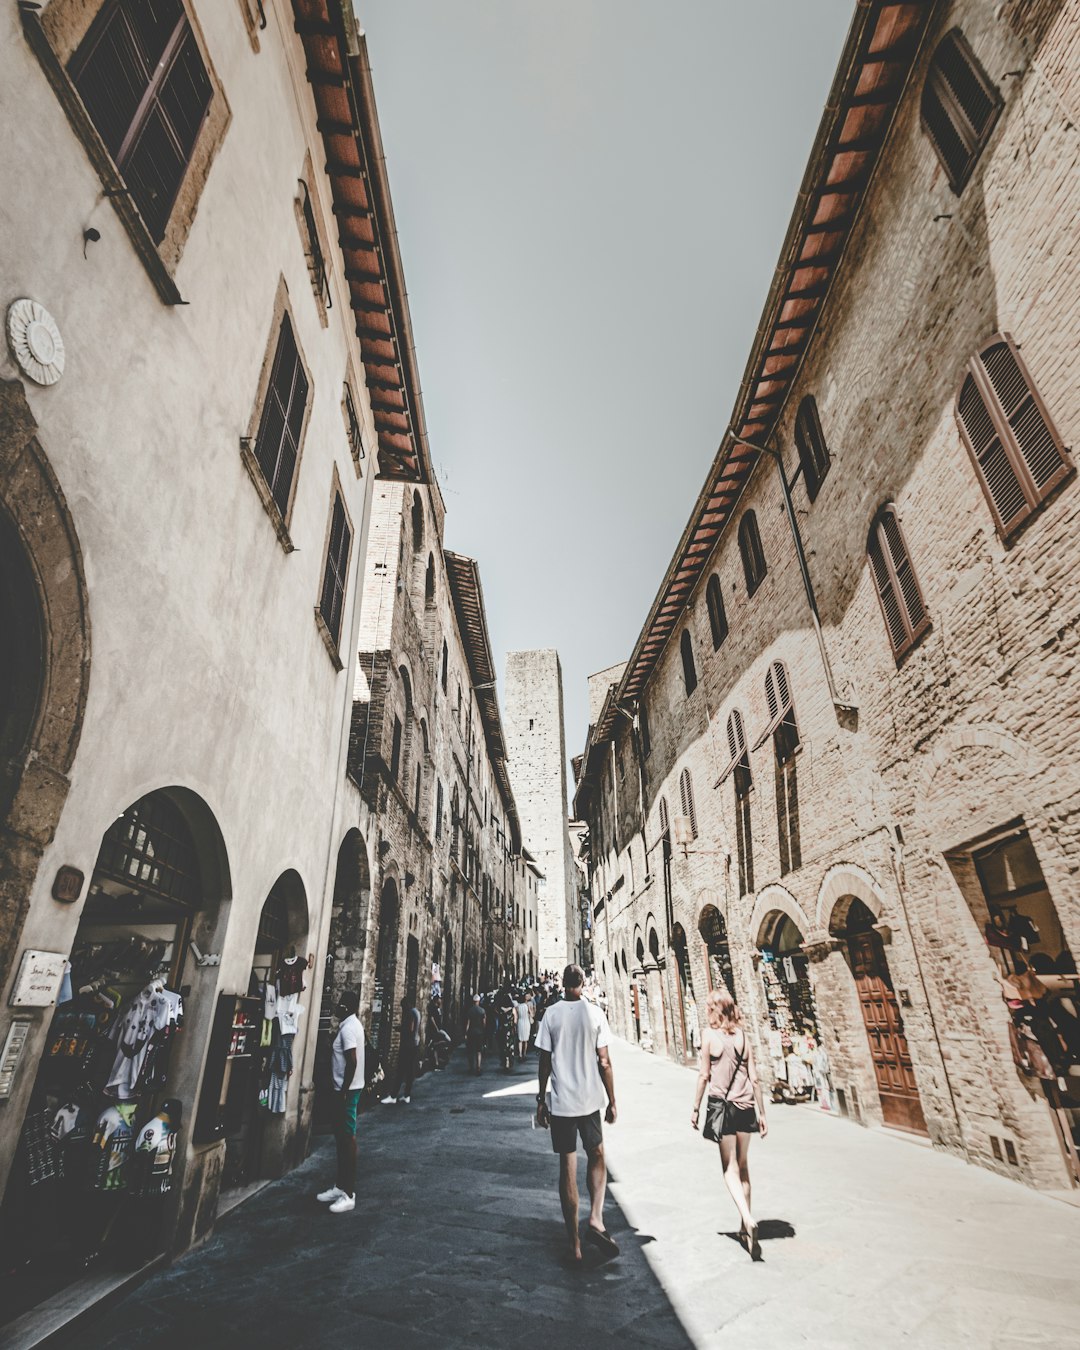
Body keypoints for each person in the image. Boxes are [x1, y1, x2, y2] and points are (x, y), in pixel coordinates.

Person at [535, 963, 619, 1265]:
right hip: (589, 1101)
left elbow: (544, 1062)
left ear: (562, 984)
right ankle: (595, 1218)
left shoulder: (551, 1014)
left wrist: (540, 1099)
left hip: (561, 1104)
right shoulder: (595, 1014)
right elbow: (605, 1062)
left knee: (566, 1167)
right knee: (597, 1155)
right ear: (582, 983)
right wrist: (612, 1100)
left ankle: (575, 1244)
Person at [691, 988, 768, 1259]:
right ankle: (744, 1227)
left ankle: (747, 1218)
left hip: (722, 1108)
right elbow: (755, 1078)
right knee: (744, 1166)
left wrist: (695, 1108)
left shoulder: (708, 1037)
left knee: (729, 1168)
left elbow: (703, 1076)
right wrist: (763, 1114)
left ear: (714, 1009)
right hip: (746, 1107)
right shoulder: (744, 1037)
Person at [318, 990, 364, 1214]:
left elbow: (352, 1062)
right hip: (345, 1089)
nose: (336, 1006)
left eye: (340, 1004)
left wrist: (343, 1091)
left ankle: (349, 1194)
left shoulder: (348, 1029)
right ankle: (340, 1186)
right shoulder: (352, 1025)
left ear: (346, 1007)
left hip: (346, 1091)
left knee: (348, 1138)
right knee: (341, 1138)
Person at [381, 997, 421, 1105]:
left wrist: (400, 1029)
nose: (403, 1010)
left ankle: (393, 1096)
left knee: (400, 1070)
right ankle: (406, 1095)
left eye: (403, 1007)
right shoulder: (417, 1012)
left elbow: (410, 1028)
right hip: (415, 1045)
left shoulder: (411, 1013)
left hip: (408, 1046)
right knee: (409, 1071)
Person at [465, 993, 487, 1075]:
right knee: (479, 1051)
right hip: (480, 1032)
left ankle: (471, 1067)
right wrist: (484, 1030)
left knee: (471, 1051)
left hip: (471, 1032)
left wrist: (466, 1033)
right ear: (478, 1001)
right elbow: (484, 1022)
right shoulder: (482, 1011)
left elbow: (468, 1023)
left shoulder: (470, 1011)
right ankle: (478, 1067)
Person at [515, 989, 533, 1061]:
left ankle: (520, 1054)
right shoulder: (527, 1006)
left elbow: (516, 1016)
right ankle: (524, 1053)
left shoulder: (518, 1007)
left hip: (520, 1022)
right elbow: (531, 1015)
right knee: (525, 1040)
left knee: (520, 1040)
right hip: (526, 1022)